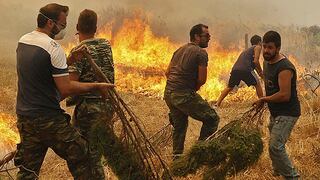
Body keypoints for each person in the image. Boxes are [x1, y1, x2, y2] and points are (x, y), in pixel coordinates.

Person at [14, 3, 114, 179]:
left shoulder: (24, 40)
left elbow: (43, 70)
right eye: (63, 24)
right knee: (82, 154)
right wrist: (96, 86)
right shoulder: (53, 47)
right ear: (51, 24)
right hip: (48, 120)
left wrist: (69, 59)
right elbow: (66, 86)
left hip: (25, 117)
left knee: (28, 170)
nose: (64, 28)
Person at [67, 9, 145, 179]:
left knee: (87, 154)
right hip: (107, 104)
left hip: (89, 108)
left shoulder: (79, 51)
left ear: (77, 26)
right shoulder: (106, 45)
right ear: (96, 27)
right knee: (98, 150)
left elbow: (70, 85)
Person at [164, 24, 220, 160]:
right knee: (212, 118)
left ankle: (177, 159)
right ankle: (198, 155)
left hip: (169, 93)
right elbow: (201, 79)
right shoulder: (201, 53)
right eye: (206, 36)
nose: (209, 38)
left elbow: (167, 72)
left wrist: (178, 87)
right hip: (182, 94)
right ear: (196, 36)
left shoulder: (179, 50)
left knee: (180, 125)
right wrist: (188, 90)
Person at [254, 31, 300, 179]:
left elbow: (284, 95)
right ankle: (278, 171)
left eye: (270, 48)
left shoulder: (284, 68)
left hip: (288, 113)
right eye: (265, 47)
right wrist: (265, 101)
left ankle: (292, 176)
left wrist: (264, 99)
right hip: (276, 112)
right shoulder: (266, 62)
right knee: (274, 145)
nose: (266, 51)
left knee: (275, 146)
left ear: (278, 48)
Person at [215, 35, 264, 107]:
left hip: (235, 70)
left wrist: (260, 74)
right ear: (259, 42)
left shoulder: (247, 51)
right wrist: (261, 72)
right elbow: (256, 61)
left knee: (229, 87)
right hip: (246, 69)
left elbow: (253, 63)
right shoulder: (258, 47)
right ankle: (262, 102)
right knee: (257, 84)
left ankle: (217, 103)